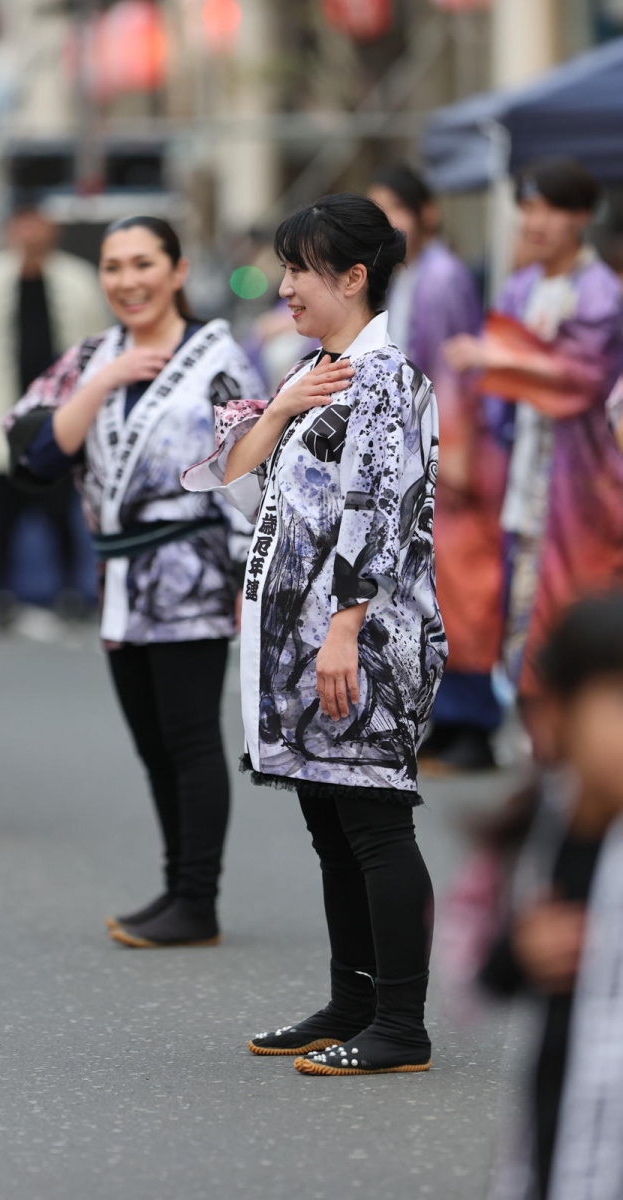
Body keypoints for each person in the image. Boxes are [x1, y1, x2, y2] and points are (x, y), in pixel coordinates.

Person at [183, 194, 446, 1076]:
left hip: (360, 639)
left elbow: (381, 514)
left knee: (374, 822)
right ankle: (354, 999)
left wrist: (343, 629)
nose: (285, 285)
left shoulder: (384, 379)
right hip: (304, 639)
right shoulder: (318, 370)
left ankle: (400, 1024)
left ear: (354, 276)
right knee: (332, 827)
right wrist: (282, 404)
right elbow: (227, 473)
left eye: (299, 268)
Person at [4, 215, 263, 947]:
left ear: (177, 271)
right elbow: (34, 454)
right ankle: (175, 883)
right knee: (151, 741)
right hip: (118, 571)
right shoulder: (91, 355)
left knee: (187, 736)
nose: (128, 281)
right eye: (113, 267)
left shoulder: (218, 358)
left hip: (190, 569)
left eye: (143, 263)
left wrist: (250, 580)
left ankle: (197, 898)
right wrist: (104, 380)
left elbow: (250, 468)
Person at [445, 158, 623, 726]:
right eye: (528, 209)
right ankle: (540, 727)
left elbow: (585, 376)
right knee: (521, 599)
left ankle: (581, 726)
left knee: (575, 598)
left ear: (582, 217)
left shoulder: (599, 291)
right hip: (525, 469)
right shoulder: (521, 286)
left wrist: (499, 359)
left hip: (583, 482)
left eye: (550, 208)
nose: (536, 222)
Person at [478, 594, 623, 1200]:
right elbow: (479, 972)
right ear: (553, 717)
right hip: (558, 1143)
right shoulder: (544, 828)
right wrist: (519, 950)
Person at [369, 164, 505, 773]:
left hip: (449, 458)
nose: (385, 225)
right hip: (420, 455)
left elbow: (455, 374)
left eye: (393, 210)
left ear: (426, 214)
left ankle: (471, 725)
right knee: (431, 590)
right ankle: (447, 723)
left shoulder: (442, 277)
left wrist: (451, 457)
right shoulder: (404, 274)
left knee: (462, 591)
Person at [0, 205, 106, 627]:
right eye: (23, 223)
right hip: (3, 417)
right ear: (10, 228)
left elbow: (99, 348)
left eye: (39, 223)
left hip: (61, 418)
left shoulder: (78, 281)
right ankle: (1, 593)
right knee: (1, 514)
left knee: (61, 512)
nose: (32, 232)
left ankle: (71, 590)